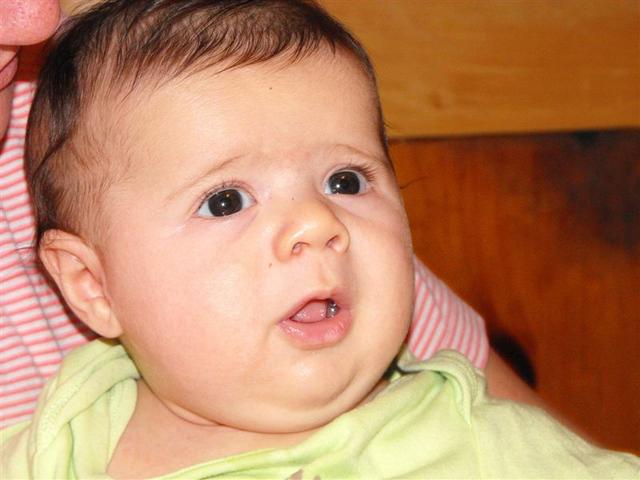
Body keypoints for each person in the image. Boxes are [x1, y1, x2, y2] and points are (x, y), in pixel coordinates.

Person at [2, 1, 638, 477]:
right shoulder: (66, 436)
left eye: (345, 181)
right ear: (92, 285)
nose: (318, 221)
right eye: (225, 201)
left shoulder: (481, 441)